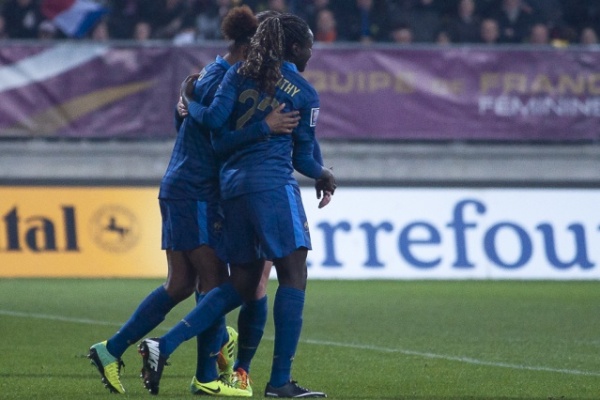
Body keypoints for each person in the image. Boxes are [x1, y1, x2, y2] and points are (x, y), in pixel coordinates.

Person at [87, 6, 299, 397]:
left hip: (184, 185)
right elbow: (217, 131)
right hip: (198, 190)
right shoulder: (224, 80)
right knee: (215, 284)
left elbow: (185, 123)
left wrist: (186, 103)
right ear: (250, 46)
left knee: (182, 284)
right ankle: (207, 374)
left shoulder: (208, 73)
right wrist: (263, 127)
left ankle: (110, 349)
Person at [138, 13, 336, 398]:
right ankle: (279, 381)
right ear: (295, 48)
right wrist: (324, 174)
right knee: (294, 273)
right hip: (272, 187)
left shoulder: (238, 74)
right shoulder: (303, 93)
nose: (312, 51)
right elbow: (303, 159)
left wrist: (189, 100)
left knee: (242, 282)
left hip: (232, 190)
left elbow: (217, 137)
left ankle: (165, 344)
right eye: (309, 45)